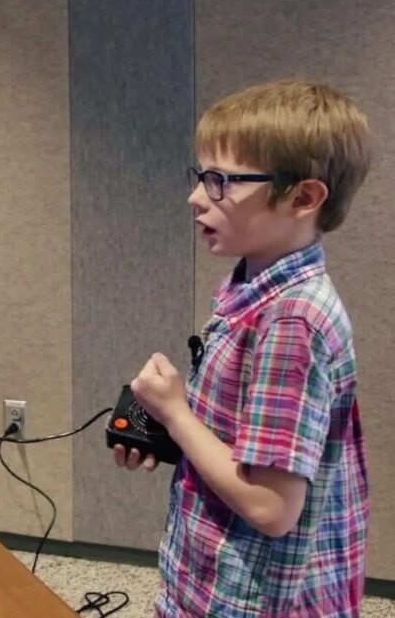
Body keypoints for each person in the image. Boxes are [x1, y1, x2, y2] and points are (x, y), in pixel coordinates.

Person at [114, 80, 372, 617]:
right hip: (213, 574)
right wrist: (172, 435)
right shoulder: (252, 289)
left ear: (303, 196)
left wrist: (174, 411)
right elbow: (243, 441)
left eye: (219, 182)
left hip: (253, 599)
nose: (195, 196)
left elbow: (271, 506)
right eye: (200, 176)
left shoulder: (290, 320)